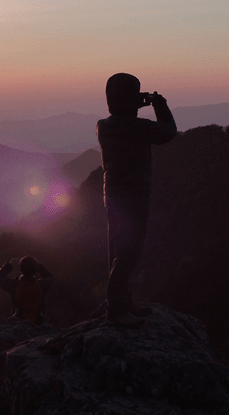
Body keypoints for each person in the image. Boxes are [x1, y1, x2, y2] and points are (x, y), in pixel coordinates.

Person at [96, 73, 177, 327]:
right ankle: (117, 308)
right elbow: (168, 132)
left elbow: (123, 117)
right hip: (134, 195)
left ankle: (122, 299)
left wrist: (135, 104)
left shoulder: (103, 125)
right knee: (130, 250)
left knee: (117, 249)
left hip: (112, 194)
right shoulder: (138, 127)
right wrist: (158, 104)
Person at [0, 256, 54, 324]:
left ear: (21, 270)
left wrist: (10, 264)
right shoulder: (41, 285)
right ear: (35, 270)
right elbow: (51, 277)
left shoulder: (14, 285)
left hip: (18, 320)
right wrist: (39, 266)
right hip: (38, 321)